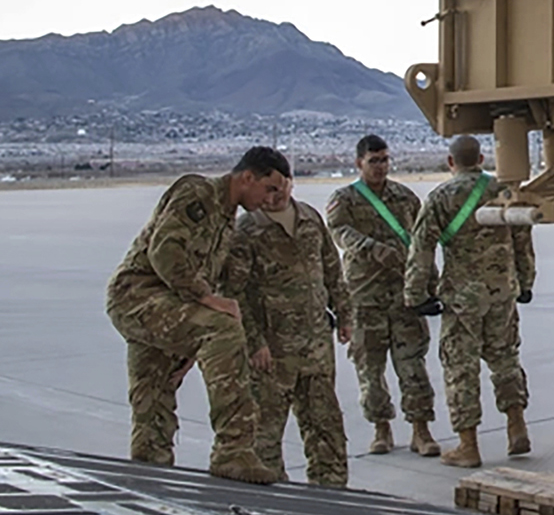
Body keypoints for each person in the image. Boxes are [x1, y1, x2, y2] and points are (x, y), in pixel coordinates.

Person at [104, 148, 288, 483]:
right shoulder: (198, 193)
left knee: (155, 393)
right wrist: (205, 298)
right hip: (138, 296)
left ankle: (150, 474)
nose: (272, 198)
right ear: (248, 177)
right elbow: (165, 250)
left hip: (165, 305)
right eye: (270, 188)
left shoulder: (226, 217)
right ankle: (233, 451)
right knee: (224, 328)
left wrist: (190, 345)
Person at [404, 134, 535, 469]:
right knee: (505, 358)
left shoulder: (440, 197)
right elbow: (522, 237)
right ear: (481, 159)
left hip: (462, 298)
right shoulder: (502, 192)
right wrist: (525, 282)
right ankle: (516, 425)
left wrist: (416, 294)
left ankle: (468, 445)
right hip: (502, 292)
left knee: (461, 368)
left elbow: (421, 248)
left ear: (451, 162)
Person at [227, 160, 350, 487]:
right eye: (270, 189)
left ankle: (332, 500)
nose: (275, 195)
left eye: (282, 187)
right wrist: (254, 343)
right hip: (272, 353)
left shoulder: (310, 218)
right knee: (264, 437)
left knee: (327, 432)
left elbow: (332, 269)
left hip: (315, 348)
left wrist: (345, 315)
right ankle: (270, 505)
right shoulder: (246, 230)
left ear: (291, 184)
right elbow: (233, 293)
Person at [325, 134, 441, 458]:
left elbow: (422, 244)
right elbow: (340, 232)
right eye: (374, 160)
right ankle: (381, 429)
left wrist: (431, 285)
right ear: (359, 162)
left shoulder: (405, 198)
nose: (380, 167)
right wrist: (372, 249)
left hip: (404, 298)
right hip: (365, 299)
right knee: (370, 371)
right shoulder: (344, 199)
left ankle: (421, 430)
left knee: (412, 367)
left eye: (385, 160)